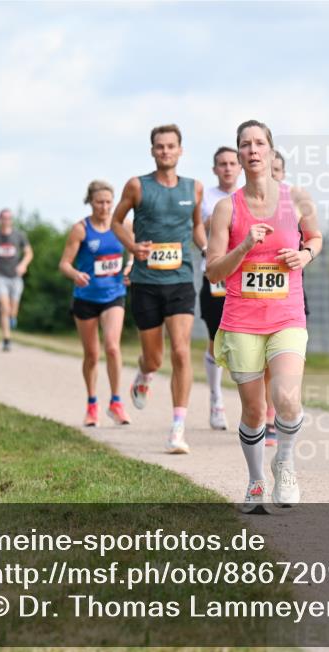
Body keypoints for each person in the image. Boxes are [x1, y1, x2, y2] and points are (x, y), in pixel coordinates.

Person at [206, 120, 323, 512]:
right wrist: (244, 246)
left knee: (287, 398)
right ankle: (256, 481)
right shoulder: (226, 208)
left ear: (271, 152)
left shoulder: (298, 198)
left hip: (287, 315)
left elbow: (317, 238)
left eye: (259, 143)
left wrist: (304, 255)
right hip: (242, 320)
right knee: (254, 410)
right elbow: (213, 271)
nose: (252, 150)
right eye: (245, 145)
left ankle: (285, 464)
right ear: (238, 156)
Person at [111, 124, 207, 454]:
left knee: (181, 350)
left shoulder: (194, 188)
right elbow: (115, 221)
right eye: (159, 146)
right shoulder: (137, 186)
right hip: (145, 283)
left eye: (171, 146)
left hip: (180, 280)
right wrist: (132, 245)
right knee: (155, 358)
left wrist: (208, 249)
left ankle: (177, 429)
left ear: (181, 151)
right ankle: (144, 374)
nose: (165, 151)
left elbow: (196, 225)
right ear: (152, 151)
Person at [59, 180, 131, 427]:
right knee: (91, 354)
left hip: (114, 295)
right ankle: (92, 405)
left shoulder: (122, 225)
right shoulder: (81, 229)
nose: (104, 207)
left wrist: (131, 265)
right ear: (90, 202)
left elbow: (133, 249)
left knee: (112, 346)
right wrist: (75, 275)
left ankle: (116, 403)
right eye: (99, 202)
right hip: (86, 298)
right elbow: (64, 264)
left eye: (109, 202)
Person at [200, 146, 241, 431]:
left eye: (231, 163)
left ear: (239, 168)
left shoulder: (249, 196)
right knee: (216, 338)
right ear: (214, 169)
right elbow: (197, 229)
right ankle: (216, 400)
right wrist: (206, 245)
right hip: (215, 277)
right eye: (222, 164)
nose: (227, 168)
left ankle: (255, 407)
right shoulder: (206, 199)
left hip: (245, 275)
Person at [0, 208, 34, 352]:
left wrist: (23, 265)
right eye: (3, 218)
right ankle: (6, 340)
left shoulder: (19, 235)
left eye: (8, 218)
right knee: (4, 307)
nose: (6, 220)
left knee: (12, 309)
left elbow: (29, 253)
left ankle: (12, 317)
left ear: (11, 220)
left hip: (15, 277)